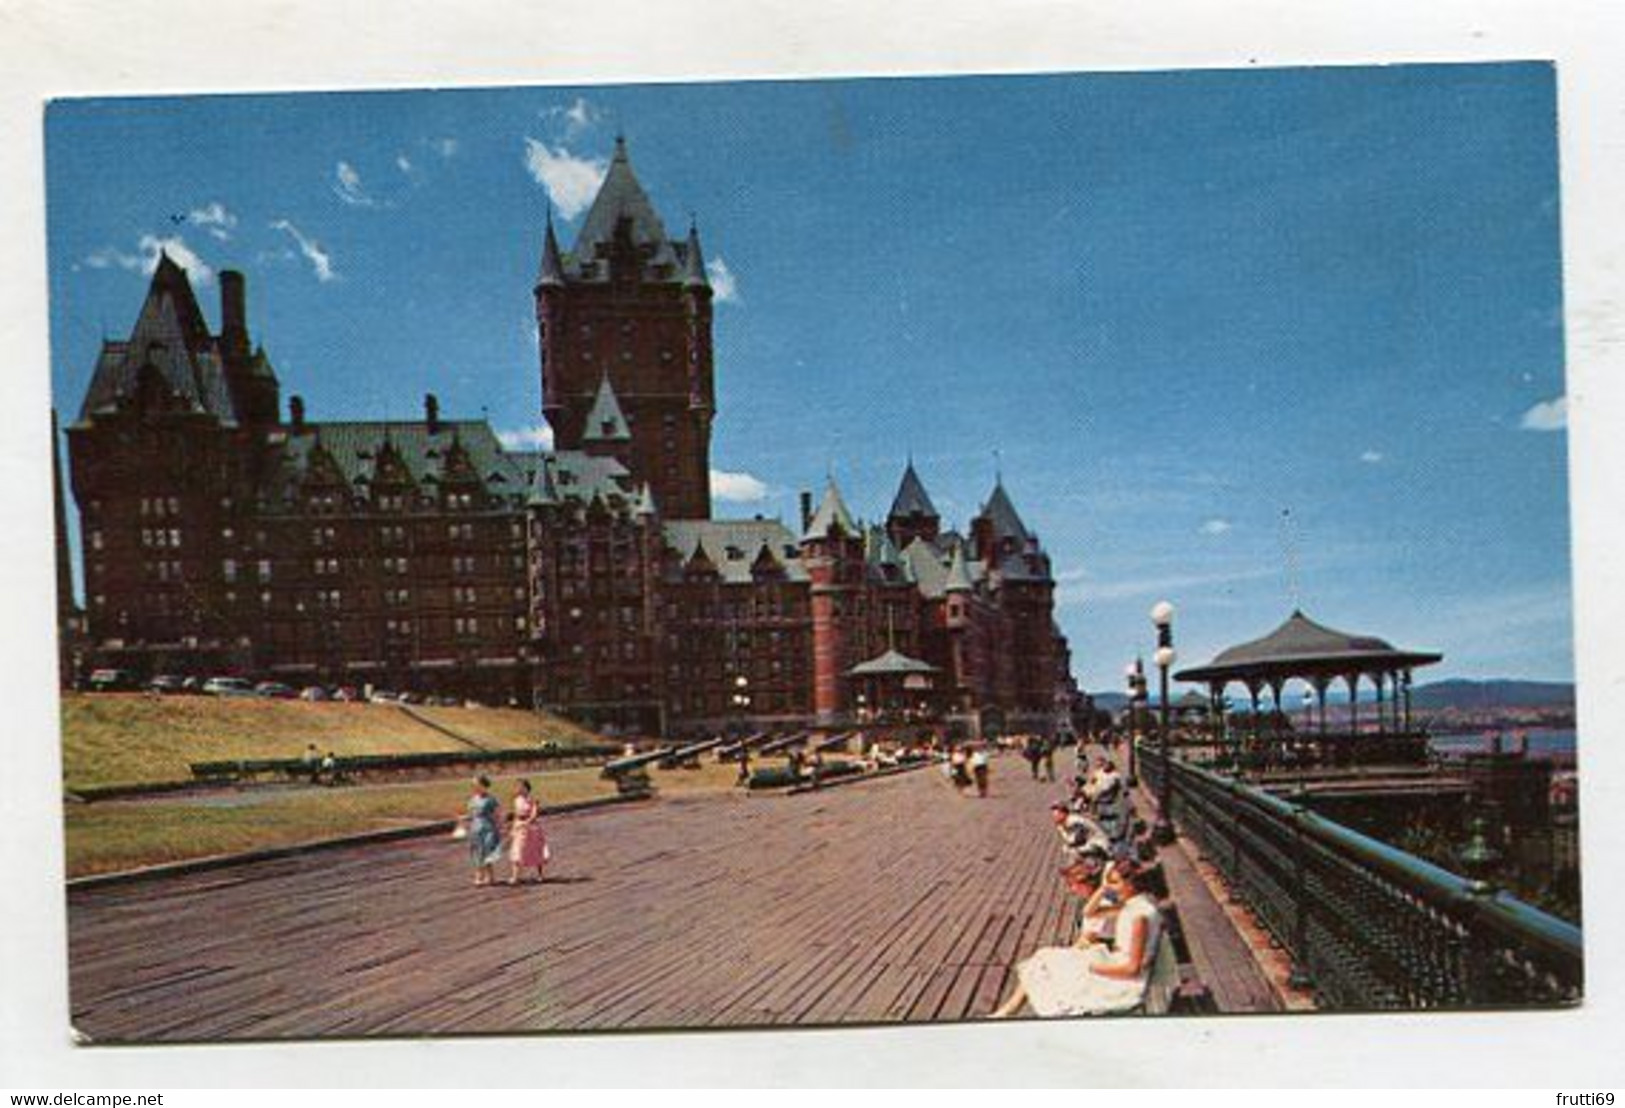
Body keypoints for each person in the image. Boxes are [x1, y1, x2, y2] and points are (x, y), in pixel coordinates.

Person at [991, 858, 1164, 1018]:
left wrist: (1093, 968)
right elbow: (1090, 912)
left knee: (1050, 967)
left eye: (1115, 882)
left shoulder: (1138, 916)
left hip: (1124, 983)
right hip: (1114, 963)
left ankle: (1009, 1011)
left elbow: (1132, 969)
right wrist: (1104, 887)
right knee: (1044, 957)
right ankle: (1008, 1011)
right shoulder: (1132, 906)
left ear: (1130, 884)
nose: (1111, 887)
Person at [460, 775, 504, 887]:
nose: (474, 786)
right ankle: (491, 877)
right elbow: (471, 815)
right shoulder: (472, 799)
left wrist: (500, 828)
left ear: (483, 785)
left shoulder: (491, 799)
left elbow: (498, 814)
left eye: (476, 784)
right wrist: (464, 818)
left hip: (488, 829)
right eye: (473, 784)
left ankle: (479, 877)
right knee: (478, 853)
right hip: (475, 829)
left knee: (485, 853)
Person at [506, 779, 550, 885]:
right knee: (517, 850)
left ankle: (540, 874)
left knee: (536, 851)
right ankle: (515, 876)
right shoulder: (516, 800)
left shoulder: (533, 800)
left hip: (532, 829)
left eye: (520, 786)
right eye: (517, 787)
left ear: (526, 788)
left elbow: (534, 815)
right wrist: (513, 828)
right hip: (519, 827)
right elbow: (516, 815)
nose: (518, 789)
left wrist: (526, 822)